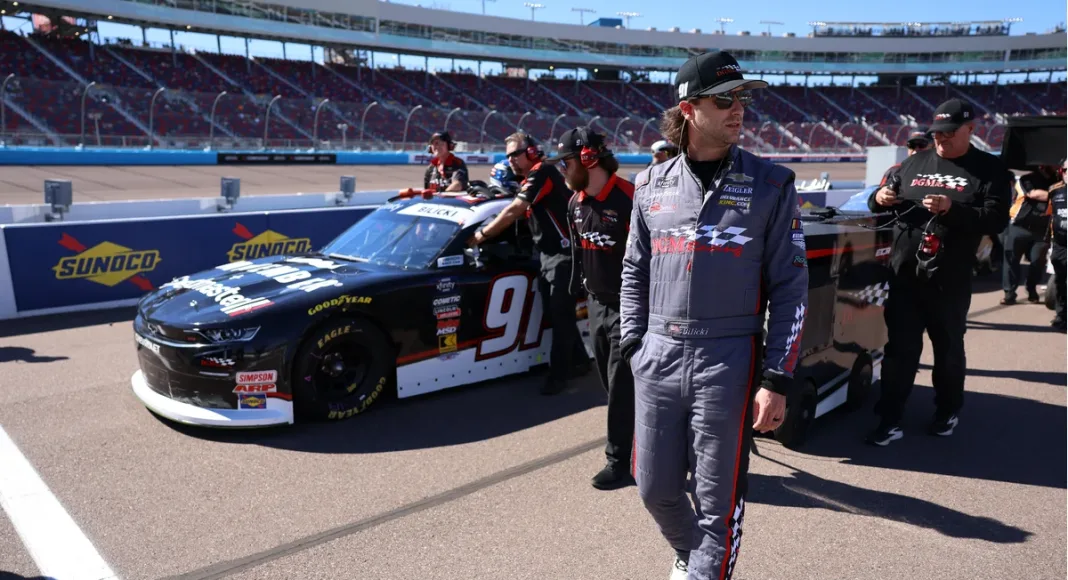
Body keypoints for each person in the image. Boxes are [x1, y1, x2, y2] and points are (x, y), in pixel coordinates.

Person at [619, 50, 808, 580]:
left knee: (716, 500)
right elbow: (634, 270)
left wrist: (776, 377)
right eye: (725, 99)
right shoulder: (649, 185)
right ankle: (696, 555)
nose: (738, 110)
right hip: (656, 353)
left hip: (728, 359)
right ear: (687, 108)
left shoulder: (773, 183)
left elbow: (792, 287)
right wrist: (634, 344)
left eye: (742, 99)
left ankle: (707, 569)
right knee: (653, 487)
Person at [865, 98, 1012, 446]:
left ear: (970, 130)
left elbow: (996, 219)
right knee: (899, 351)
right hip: (904, 276)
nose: (941, 140)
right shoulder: (915, 161)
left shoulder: (989, 169)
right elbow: (880, 197)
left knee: (947, 351)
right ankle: (889, 419)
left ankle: (947, 410)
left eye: (949, 133)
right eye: (937, 134)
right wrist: (880, 197)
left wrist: (951, 209)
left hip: (950, 280)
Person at [468, 132, 589, 394]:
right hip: (549, 256)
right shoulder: (531, 177)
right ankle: (580, 361)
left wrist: (482, 235)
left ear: (532, 152)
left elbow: (514, 210)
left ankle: (559, 376)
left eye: (515, 153)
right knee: (556, 315)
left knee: (560, 317)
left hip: (564, 256)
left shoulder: (541, 171)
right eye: (507, 155)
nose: (510, 159)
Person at [553, 126, 637, 490]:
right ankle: (639, 446)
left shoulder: (631, 199)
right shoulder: (574, 203)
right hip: (596, 304)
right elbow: (578, 254)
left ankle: (620, 461)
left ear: (588, 158)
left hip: (631, 308)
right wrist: (577, 294)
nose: (561, 170)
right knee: (609, 382)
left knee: (620, 386)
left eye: (565, 162)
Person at [1000, 164, 1058, 304]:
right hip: (1019, 226)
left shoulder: (1058, 182)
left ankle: (1031, 288)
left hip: (1042, 230)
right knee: (1011, 260)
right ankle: (1009, 293)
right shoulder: (1027, 179)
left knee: (1038, 261)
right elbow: (1034, 194)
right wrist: (1057, 193)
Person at [1048, 160, 1067, 332]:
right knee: (1061, 282)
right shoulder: (1055, 191)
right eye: (1066, 170)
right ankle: (1062, 316)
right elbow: (1050, 216)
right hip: (1061, 246)